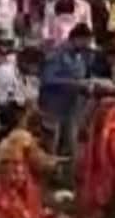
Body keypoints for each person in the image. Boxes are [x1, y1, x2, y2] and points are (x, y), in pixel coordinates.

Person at [38, 24, 96, 157]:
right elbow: (48, 79)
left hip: (71, 107)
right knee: (52, 145)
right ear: (76, 39)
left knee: (70, 145)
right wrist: (75, 84)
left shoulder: (80, 56)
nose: (86, 46)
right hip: (53, 106)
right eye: (85, 42)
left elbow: (81, 76)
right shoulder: (56, 55)